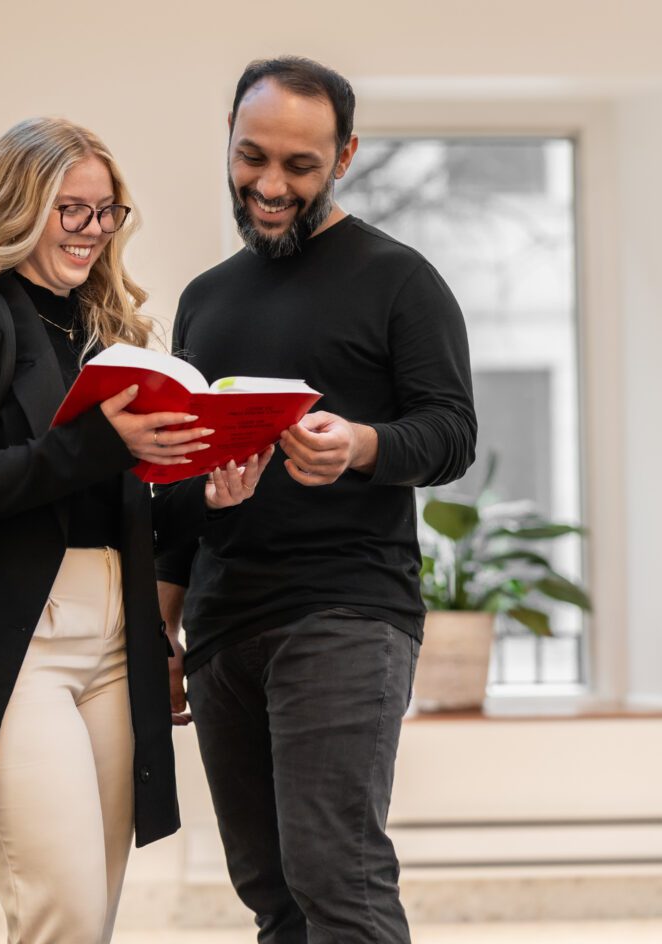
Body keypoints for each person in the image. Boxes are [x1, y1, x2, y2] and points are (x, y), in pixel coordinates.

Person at [0, 116, 271, 944]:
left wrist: (211, 497)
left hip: (117, 642)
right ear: (19, 205)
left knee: (92, 918)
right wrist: (100, 443)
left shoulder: (109, 334)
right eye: (71, 209)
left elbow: (126, 511)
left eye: (107, 212)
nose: (93, 229)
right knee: (61, 913)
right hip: (16, 645)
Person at [155, 58, 477, 944]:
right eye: (252, 157)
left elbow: (451, 433)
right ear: (228, 138)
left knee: (337, 877)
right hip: (224, 626)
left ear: (344, 156)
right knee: (273, 896)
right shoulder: (205, 300)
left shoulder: (399, 280)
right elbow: (180, 489)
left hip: (347, 614)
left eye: (300, 165)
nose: (270, 185)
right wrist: (161, 627)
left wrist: (360, 444)